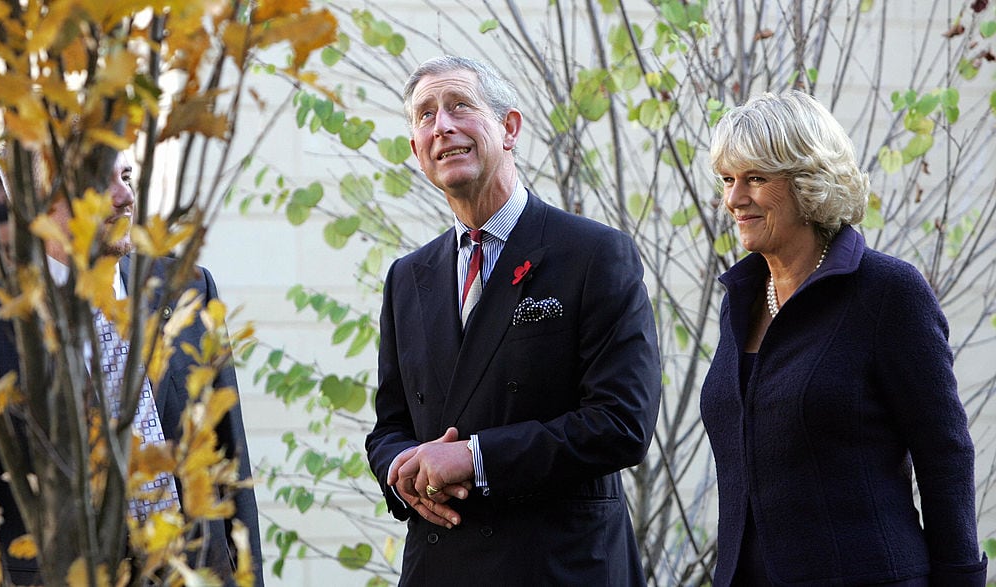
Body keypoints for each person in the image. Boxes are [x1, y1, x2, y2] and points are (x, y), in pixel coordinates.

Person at [364, 55, 661, 585]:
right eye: (426, 115)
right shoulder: (407, 277)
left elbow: (622, 423)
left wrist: (475, 458)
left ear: (510, 128)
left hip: (560, 566)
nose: (442, 125)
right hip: (441, 564)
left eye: (460, 106)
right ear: (417, 150)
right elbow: (390, 425)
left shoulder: (593, 254)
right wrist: (402, 470)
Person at [700, 90, 987, 585]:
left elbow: (944, 453)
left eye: (756, 179)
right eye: (728, 179)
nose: (734, 199)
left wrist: (959, 578)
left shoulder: (887, 292)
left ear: (808, 182)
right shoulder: (741, 299)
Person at [0, 151, 264, 585]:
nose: (125, 195)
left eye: (126, 176)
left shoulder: (186, 288)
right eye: (98, 180)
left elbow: (230, 462)